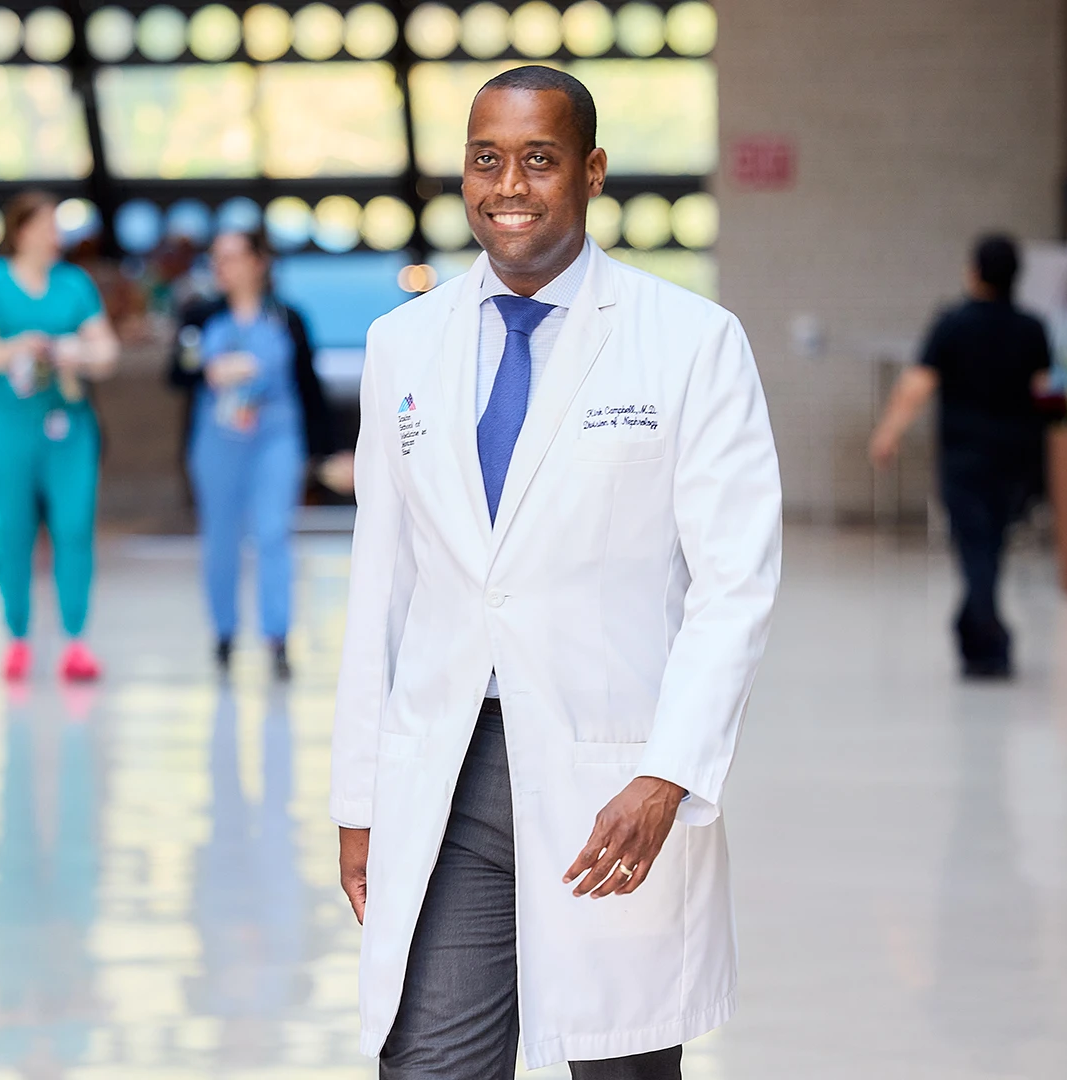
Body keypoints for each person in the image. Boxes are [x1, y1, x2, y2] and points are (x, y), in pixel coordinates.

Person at [330, 67, 782, 1078]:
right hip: (444, 769)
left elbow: (735, 583)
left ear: (591, 172)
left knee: (617, 1062)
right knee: (433, 1059)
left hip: (607, 768)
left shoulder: (691, 343)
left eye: (539, 159)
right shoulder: (404, 345)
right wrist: (358, 798)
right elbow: (381, 585)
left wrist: (668, 773)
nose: (509, 186)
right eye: (486, 159)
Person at [870, 233, 1053, 680]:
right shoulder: (1032, 328)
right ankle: (976, 634)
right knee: (988, 547)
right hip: (1017, 460)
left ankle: (989, 642)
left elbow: (918, 384)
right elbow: (1046, 391)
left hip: (965, 460)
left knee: (977, 549)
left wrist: (889, 431)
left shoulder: (953, 324)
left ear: (974, 272)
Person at [168, 228, 340, 678]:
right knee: (221, 539)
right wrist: (208, 369)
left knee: (272, 532)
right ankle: (224, 633)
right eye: (216, 258)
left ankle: (277, 636)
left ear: (258, 262)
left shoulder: (287, 318)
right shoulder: (200, 315)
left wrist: (329, 452)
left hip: (275, 437)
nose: (222, 267)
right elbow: (177, 371)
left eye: (232, 257)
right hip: (217, 441)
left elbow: (309, 387)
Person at [0, 190, 119, 682]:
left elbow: (106, 351)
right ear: (22, 230)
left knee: (73, 527)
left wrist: (76, 353)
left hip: (68, 426)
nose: (57, 236)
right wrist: (20, 347)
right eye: (49, 225)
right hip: (6, 427)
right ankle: (17, 637)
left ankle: (76, 640)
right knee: (13, 531)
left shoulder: (74, 285)